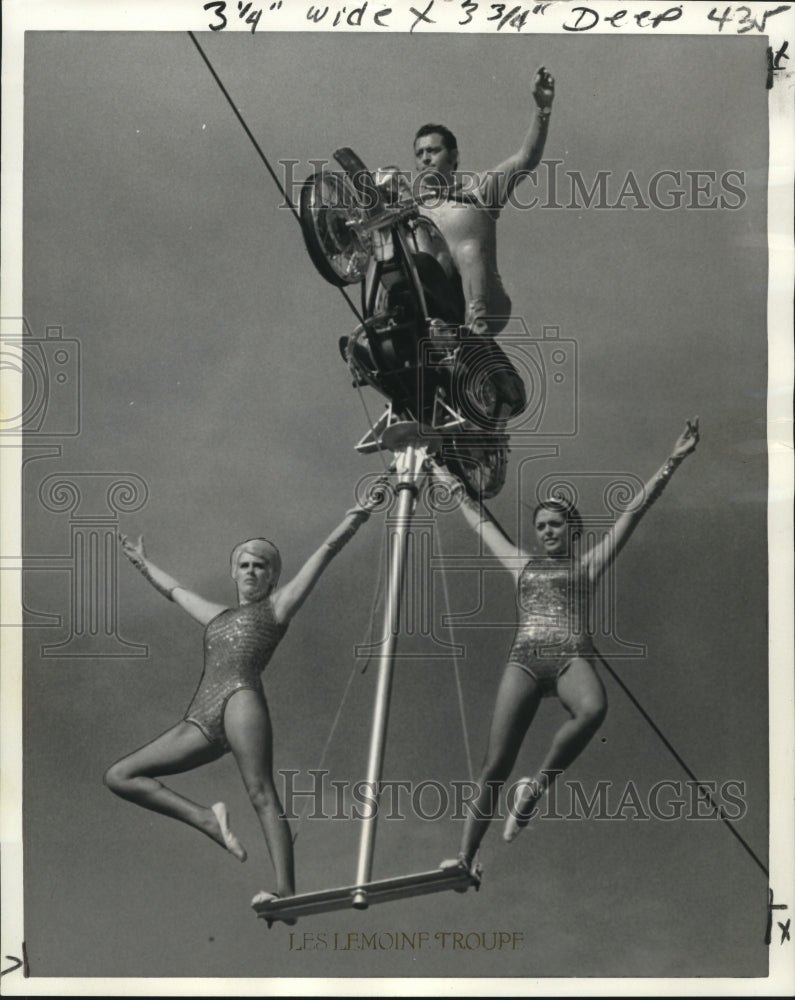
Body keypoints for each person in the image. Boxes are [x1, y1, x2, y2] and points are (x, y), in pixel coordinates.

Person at [433, 419, 700, 871]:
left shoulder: (588, 565)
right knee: (495, 763)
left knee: (594, 709)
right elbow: (478, 520)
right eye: (540, 525)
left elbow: (633, 512)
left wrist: (672, 461)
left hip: (569, 655)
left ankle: (534, 790)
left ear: (572, 529)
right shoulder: (520, 563)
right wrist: (440, 473)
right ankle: (466, 858)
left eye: (556, 524)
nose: (547, 531)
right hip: (525, 659)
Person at [105, 499, 378, 914]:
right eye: (245, 565)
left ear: (271, 579)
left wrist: (357, 515)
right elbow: (175, 591)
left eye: (261, 567)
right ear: (234, 573)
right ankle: (206, 819)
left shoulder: (277, 607)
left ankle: (286, 892)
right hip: (199, 716)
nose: (252, 571)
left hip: (240, 697)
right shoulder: (215, 616)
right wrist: (143, 564)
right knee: (120, 775)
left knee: (260, 791)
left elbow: (324, 553)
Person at [413, 66, 555, 338]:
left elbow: (526, 158)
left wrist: (542, 110)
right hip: (442, 305)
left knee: (467, 250)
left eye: (433, 150)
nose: (426, 158)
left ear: (453, 157)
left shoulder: (479, 190)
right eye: (420, 154)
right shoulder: (412, 210)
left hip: (489, 303)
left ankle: (475, 336)